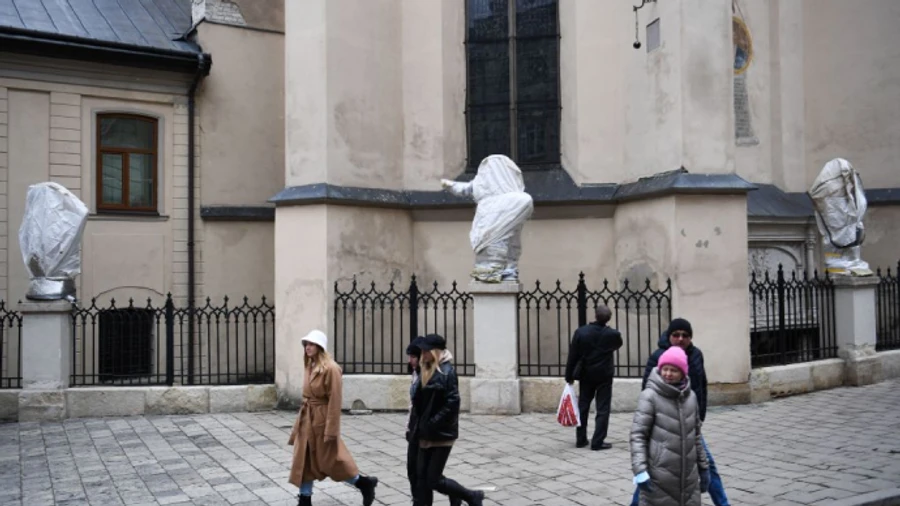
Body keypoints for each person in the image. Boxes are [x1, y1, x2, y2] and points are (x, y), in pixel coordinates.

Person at [629, 318, 731, 506]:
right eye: (676, 335)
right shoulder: (658, 356)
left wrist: (698, 416)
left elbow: (701, 386)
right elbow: (648, 390)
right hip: (664, 425)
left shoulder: (696, 355)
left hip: (689, 424)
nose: (680, 338)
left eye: (685, 335)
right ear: (669, 336)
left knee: (705, 468)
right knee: (653, 475)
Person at [287, 330, 379, 506]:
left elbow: (335, 402)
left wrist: (331, 430)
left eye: (311, 344)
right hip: (307, 418)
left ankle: (363, 483)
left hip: (321, 419)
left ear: (320, 346)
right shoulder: (310, 365)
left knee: (331, 461)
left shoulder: (331, 369)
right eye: (306, 344)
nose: (307, 347)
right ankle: (305, 498)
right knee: (303, 459)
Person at [410, 334, 485, 506]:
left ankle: (471, 496)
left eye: (426, 350)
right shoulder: (424, 368)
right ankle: (455, 496)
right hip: (423, 431)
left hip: (441, 433)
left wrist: (433, 422)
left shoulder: (447, 372)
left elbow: (453, 402)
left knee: (433, 479)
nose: (422, 352)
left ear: (435, 351)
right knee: (421, 477)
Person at [630, 346, 709, 506]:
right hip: (660, 476)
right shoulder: (650, 396)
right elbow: (638, 435)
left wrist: (703, 466)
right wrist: (640, 470)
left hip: (688, 478)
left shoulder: (691, 397)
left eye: (673, 370)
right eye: (665, 369)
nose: (668, 374)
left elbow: (696, 436)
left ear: (683, 372)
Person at [564, 304, 623, 450]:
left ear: (595, 315)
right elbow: (617, 344)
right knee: (603, 408)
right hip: (604, 374)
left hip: (586, 374)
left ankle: (581, 438)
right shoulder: (613, 335)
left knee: (583, 406)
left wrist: (568, 375)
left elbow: (573, 355)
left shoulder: (581, 332)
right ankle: (598, 441)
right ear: (608, 318)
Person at [405, 336, 426, 506]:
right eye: (409, 356)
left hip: (424, 428)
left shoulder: (428, 375)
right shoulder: (415, 373)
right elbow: (411, 406)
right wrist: (407, 428)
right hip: (414, 426)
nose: (410, 360)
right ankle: (417, 499)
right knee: (411, 468)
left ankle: (462, 493)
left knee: (426, 473)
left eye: (413, 356)